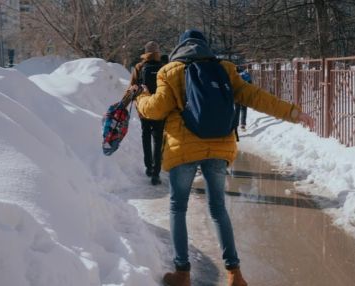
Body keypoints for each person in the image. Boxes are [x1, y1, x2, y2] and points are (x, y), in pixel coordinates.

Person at [133, 29, 314, 286]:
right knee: (218, 209)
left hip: (182, 150)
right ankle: (235, 274)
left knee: (178, 207)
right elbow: (256, 97)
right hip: (219, 148)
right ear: (205, 46)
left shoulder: (169, 71)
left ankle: (182, 273)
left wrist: (140, 97)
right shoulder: (225, 69)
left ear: (180, 48)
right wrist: (293, 113)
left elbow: (155, 109)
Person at [130, 41, 165, 185]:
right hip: (159, 108)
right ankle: (156, 173)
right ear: (157, 52)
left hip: (144, 108)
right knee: (158, 139)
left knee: (145, 136)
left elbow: (133, 86)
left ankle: (148, 167)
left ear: (145, 52)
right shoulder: (163, 67)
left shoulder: (139, 67)